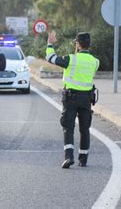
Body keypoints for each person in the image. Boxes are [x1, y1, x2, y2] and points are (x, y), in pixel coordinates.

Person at [46, 31, 100, 168]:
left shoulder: (71, 59)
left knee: (68, 127)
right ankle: (83, 159)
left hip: (71, 98)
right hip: (87, 98)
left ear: (77, 44)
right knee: (85, 128)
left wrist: (50, 44)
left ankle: (69, 157)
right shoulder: (95, 62)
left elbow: (51, 58)